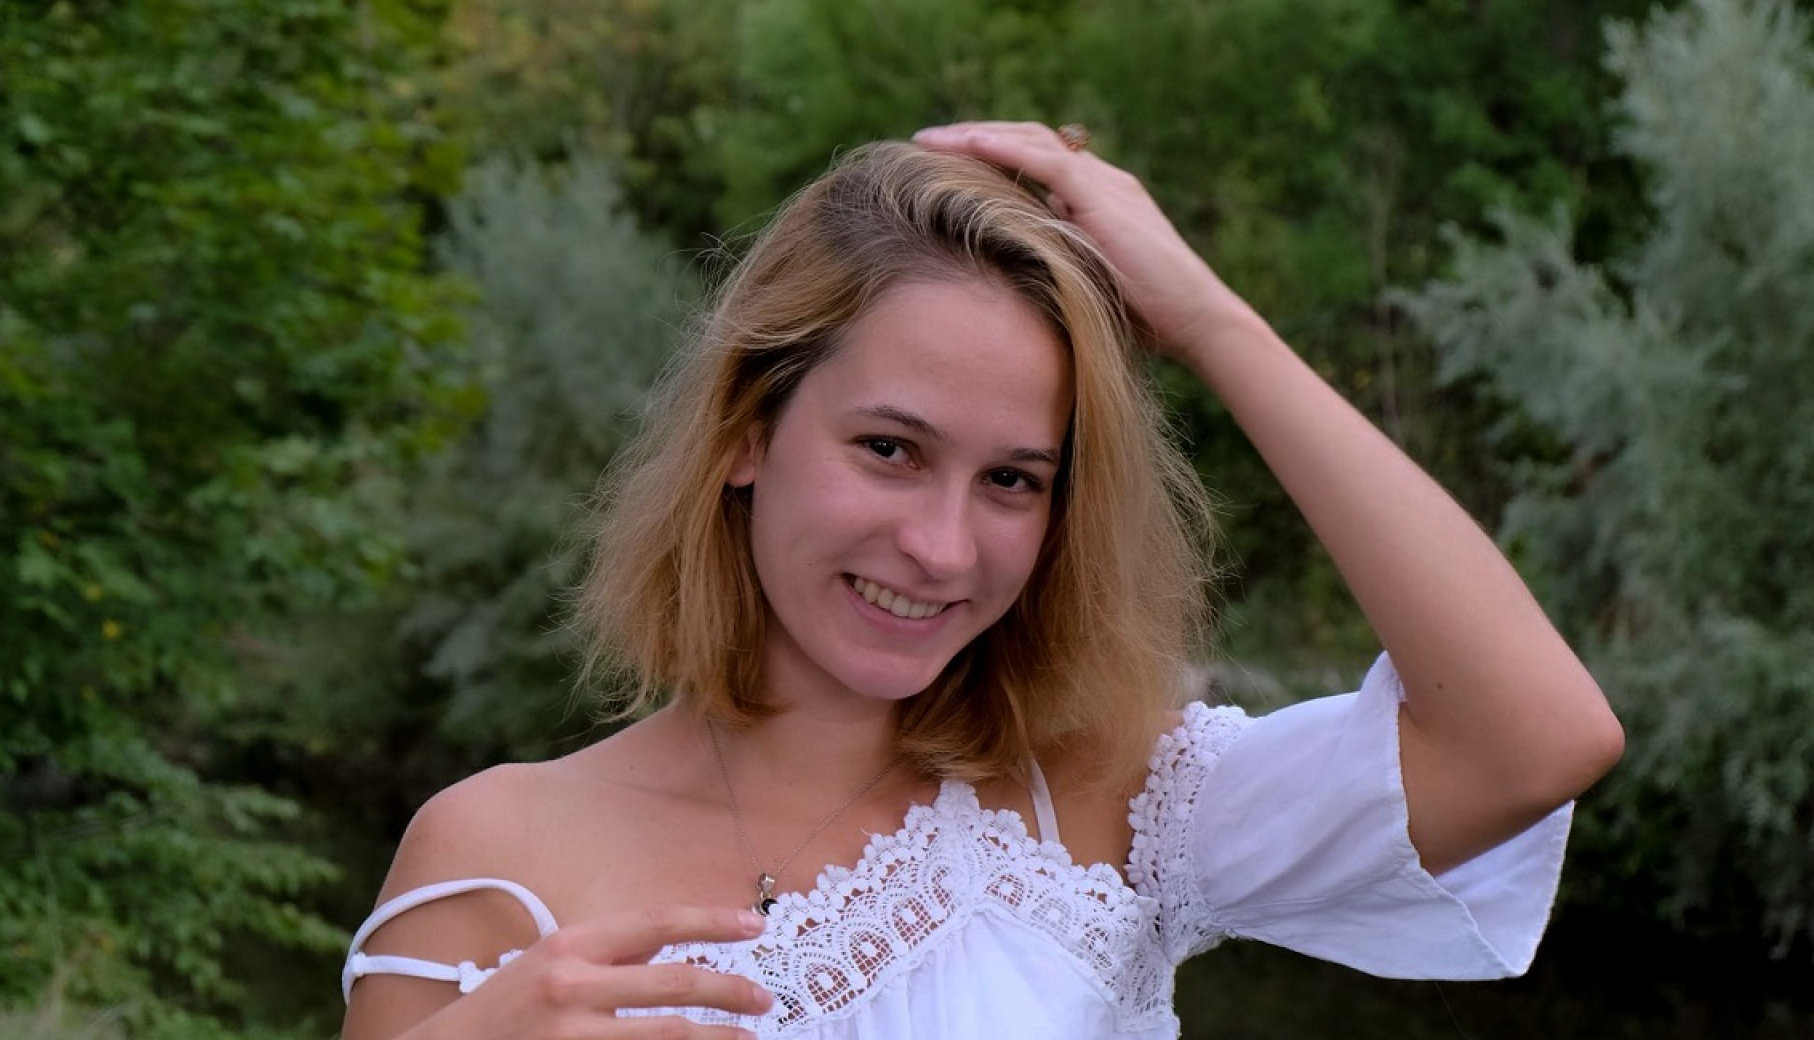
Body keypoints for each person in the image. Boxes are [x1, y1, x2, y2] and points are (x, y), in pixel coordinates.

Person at [338, 122, 1623, 1040]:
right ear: (747, 433)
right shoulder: (492, 854)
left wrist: (1210, 323)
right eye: (890, 449)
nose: (944, 547)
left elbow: (1534, 736)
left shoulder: (1112, 801)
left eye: (1014, 479)